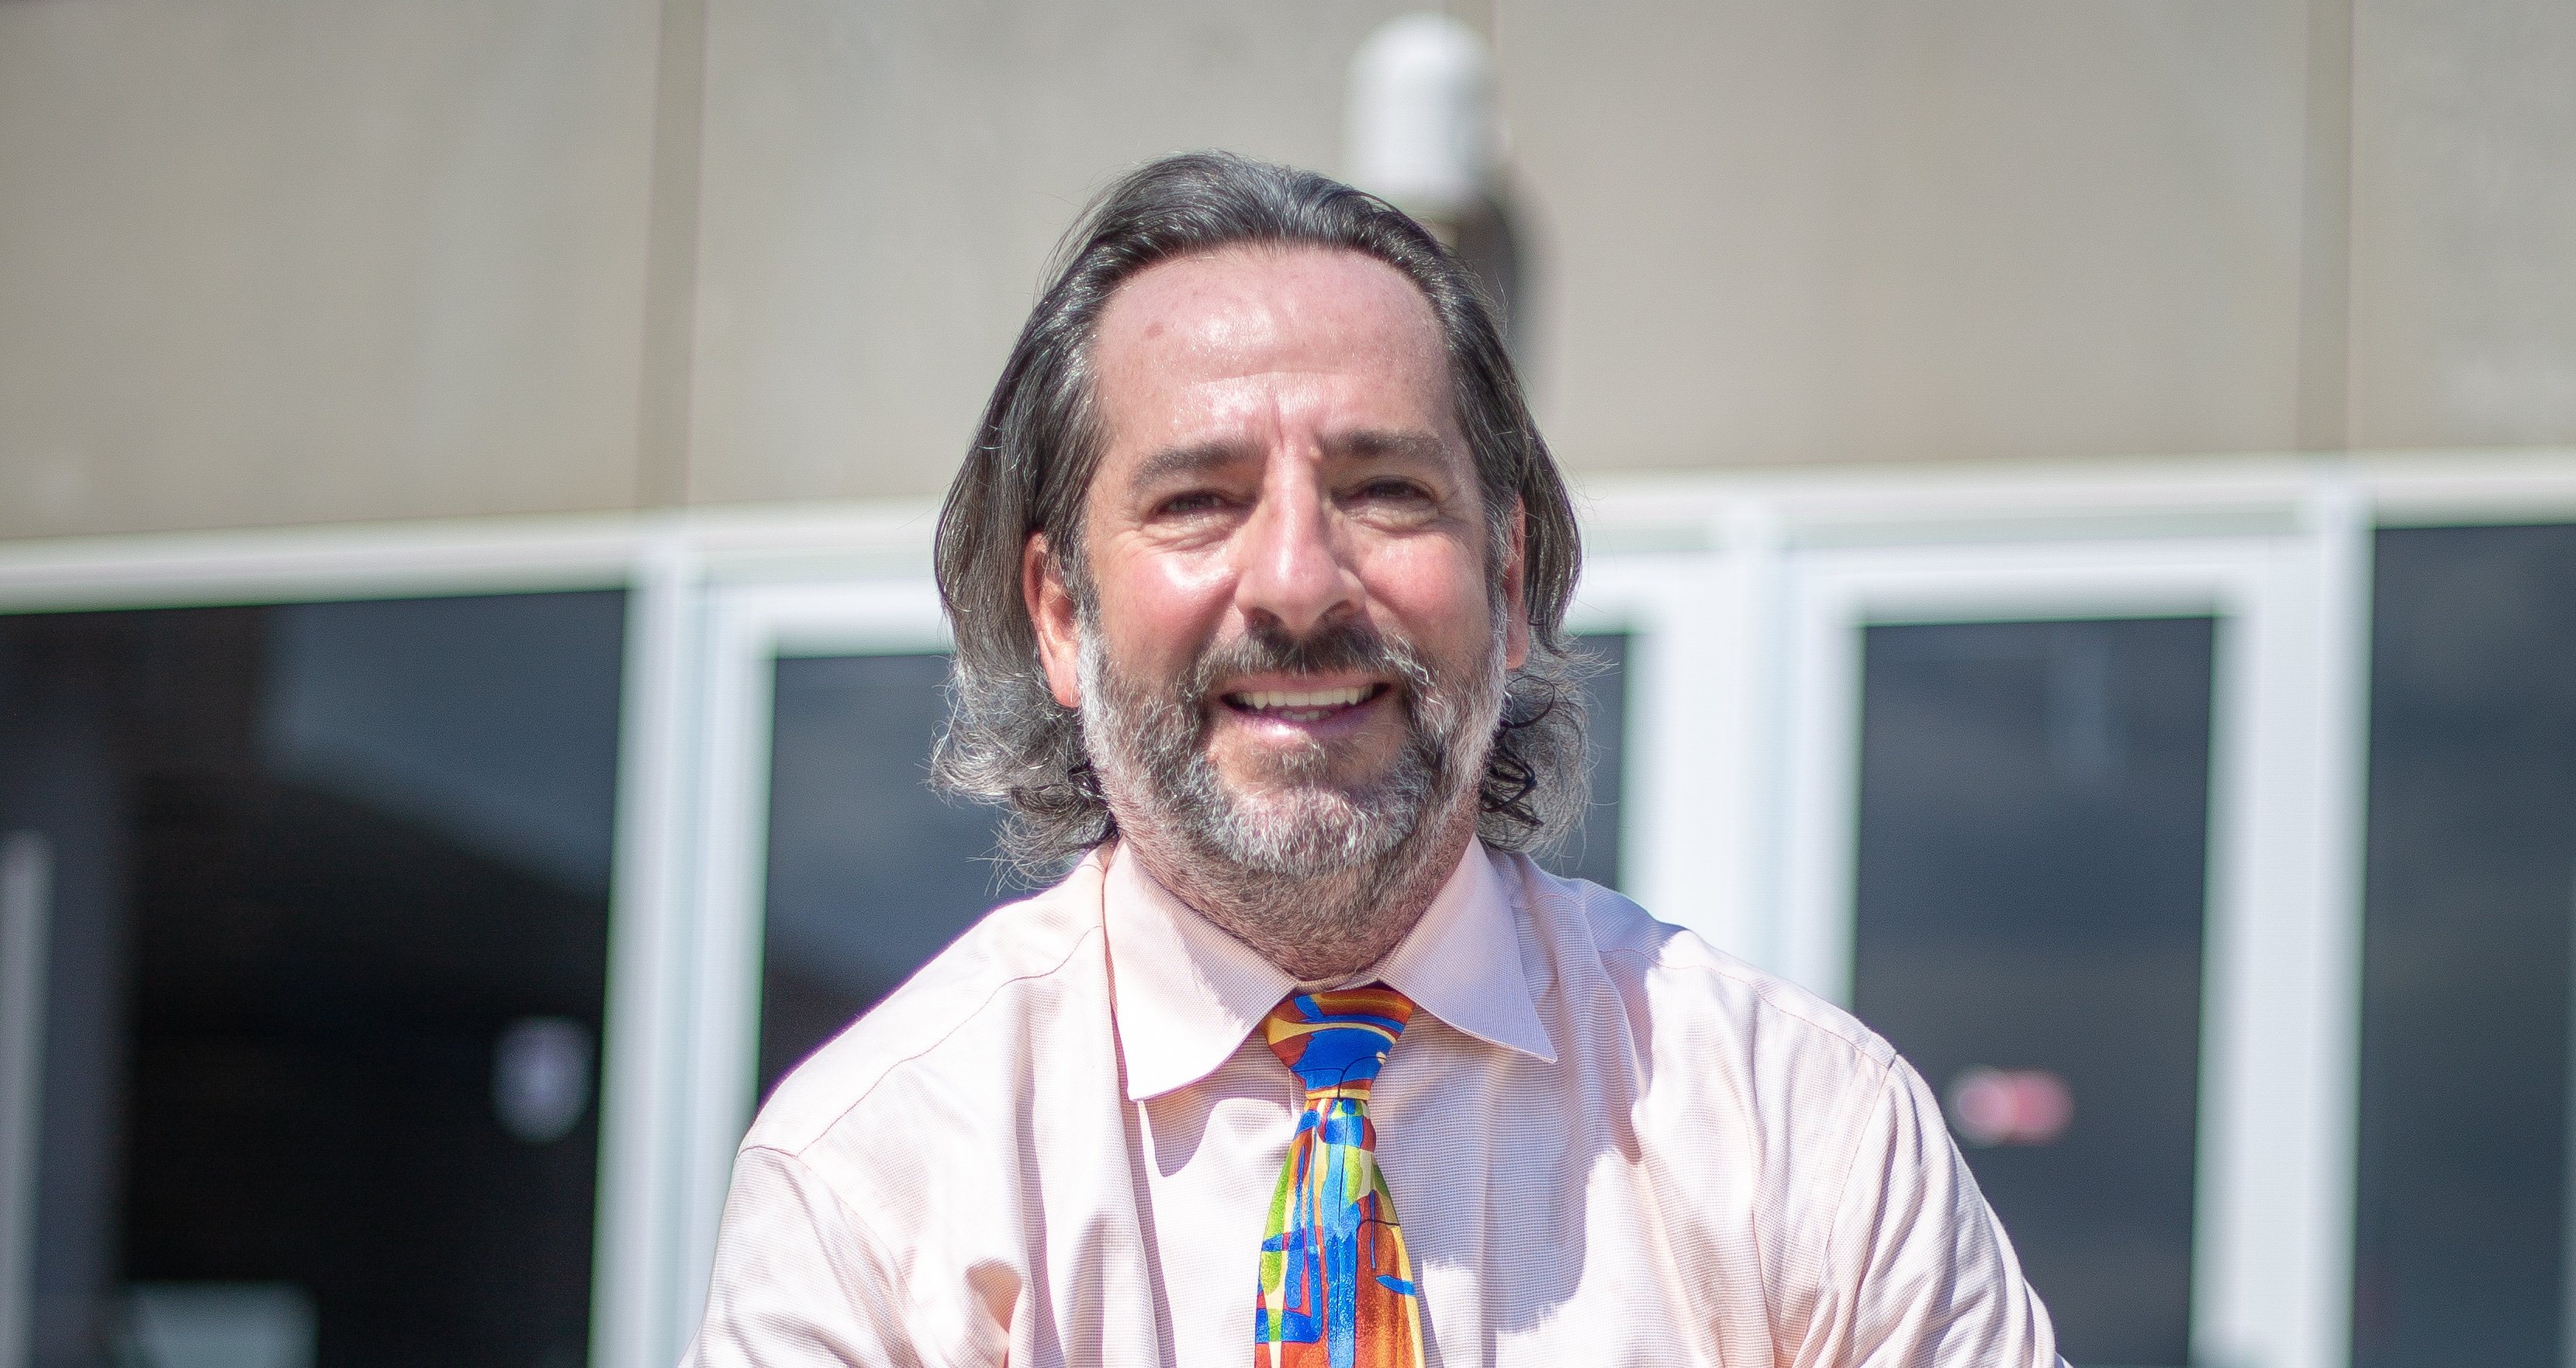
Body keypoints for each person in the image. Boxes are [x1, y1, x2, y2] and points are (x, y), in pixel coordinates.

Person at [685, 151, 2061, 1367]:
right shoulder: (874, 1186)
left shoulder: (1800, 1135)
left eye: (1385, 490)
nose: (1297, 581)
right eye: (1199, 500)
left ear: (1508, 583)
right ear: (1059, 615)